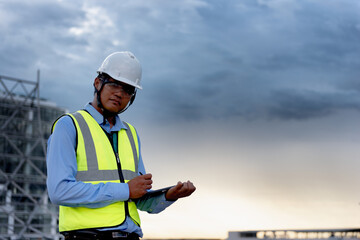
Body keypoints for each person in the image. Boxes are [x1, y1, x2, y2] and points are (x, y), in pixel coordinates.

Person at [46, 51, 196, 240]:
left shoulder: (130, 134)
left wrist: (168, 196)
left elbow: (138, 199)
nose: (119, 93)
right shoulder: (69, 126)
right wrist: (125, 190)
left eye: (128, 89)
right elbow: (59, 191)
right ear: (97, 82)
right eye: (114, 84)